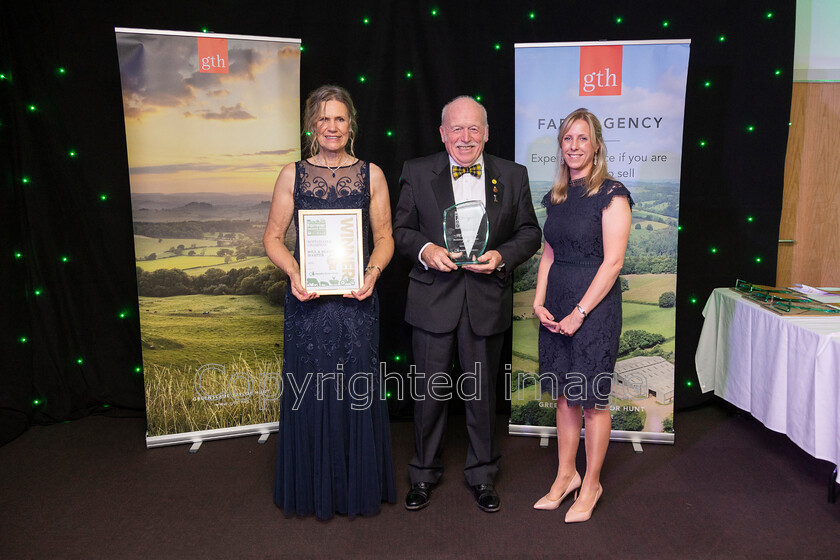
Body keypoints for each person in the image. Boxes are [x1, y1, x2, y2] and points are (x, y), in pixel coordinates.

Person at [394, 96, 541, 513]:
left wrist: (502, 256)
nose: (465, 137)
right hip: (432, 300)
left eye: (473, 128)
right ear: (442, 134)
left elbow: (530, 232)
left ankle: (483, 475)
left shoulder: (513, 175)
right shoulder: (417, 171)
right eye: (456, 129)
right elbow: (401, 230)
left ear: (487, 133)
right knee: (428, 394)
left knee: (481, 396)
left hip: (485, 300)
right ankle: (422, 473)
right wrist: (425, 249)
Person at [264, 85, 396, 520]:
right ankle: (312, 489)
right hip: (308, 302)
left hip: (357, 303)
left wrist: (373, 273)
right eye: (324, 119)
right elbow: (272, 238)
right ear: (311, 125)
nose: (332, 127)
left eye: (340, 118)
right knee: (311, 390)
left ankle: (354, 488)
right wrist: (294, 272)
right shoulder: (292, 174)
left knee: (354, 390)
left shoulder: (371, 174)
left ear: (351, 124)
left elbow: (385, 239)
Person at [532, 108, 632, 523]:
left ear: (596, 146)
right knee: (563, 396)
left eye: (582, 139)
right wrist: (538, 302)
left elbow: (613, 263)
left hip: (594, 307)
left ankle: (591, 484)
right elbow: (549, 254)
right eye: (567, 139)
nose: (574, 146)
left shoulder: (612, 193)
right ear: (561, 146)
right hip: (556, 304)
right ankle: (565, 475)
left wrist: (578, 312)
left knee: (591, 400)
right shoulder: (556, 196)